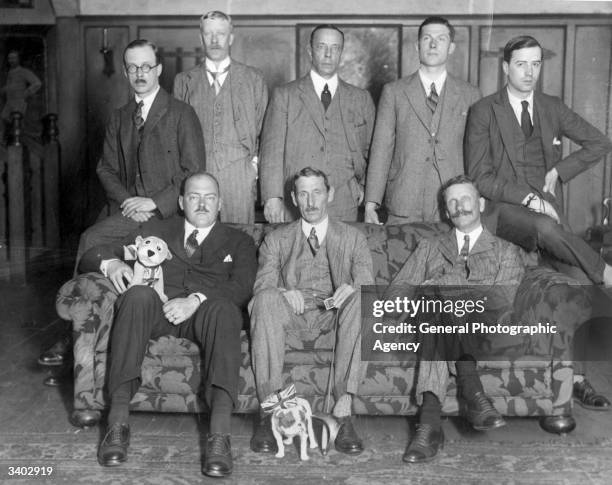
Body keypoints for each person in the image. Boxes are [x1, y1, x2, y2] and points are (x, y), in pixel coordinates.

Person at [465, 35, 612, 410]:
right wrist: (529, 197)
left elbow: (599, 143)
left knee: (578, 283)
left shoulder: (551, 107)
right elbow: (478, 175)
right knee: (548, 229)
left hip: (549, 221)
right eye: (520, 64)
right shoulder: (484, 110)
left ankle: (575, 379)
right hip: (506, 213)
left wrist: (560, 170)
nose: (529, 72)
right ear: (505, 68)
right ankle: (606, 272)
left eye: (535, 64)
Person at [39, 39, 205, 369]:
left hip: (166, 215)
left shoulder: (181, 114)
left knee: (91, 239)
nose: (140, 73)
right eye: (132, 68)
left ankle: (69, 329)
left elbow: (194, 172)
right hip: (128, 212)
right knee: (92, 239)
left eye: (146, 66)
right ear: (126, 73)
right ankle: (76, 328)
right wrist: (129, 200)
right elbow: (106, 167)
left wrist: (154, 202)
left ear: (159, 70)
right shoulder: (120, 116)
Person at [79, 172, 257, 478]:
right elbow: (94, 253)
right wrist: (114, 263)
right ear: (181, 202)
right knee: (136, 295)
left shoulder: (240, 241)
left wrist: (196, 300)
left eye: (209, 197)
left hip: (206, 313)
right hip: (158, 311)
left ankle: (219, 436)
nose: (202, 204)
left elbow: (242, 286)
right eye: (194, 196)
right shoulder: (156, 229)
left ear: (220, 204)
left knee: (226, 311)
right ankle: (117, 423)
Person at [388, 175, 524, 463]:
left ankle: (429, 423)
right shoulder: (429, 246)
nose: (459, 206)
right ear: (446, 211)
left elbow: (501, 302)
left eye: (465, 199)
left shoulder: (505, 251)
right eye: (452, 201)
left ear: (481, 204)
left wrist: (440, 285)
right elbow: (397, 291)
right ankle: (473, 391)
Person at [249, 166, 374, 455]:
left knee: (365, 297)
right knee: (266, 299)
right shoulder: (276, 239)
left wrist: (353, 288)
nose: (311, 201)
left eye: (317, 192)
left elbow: (366, 276)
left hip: (335, 312)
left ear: (329, 194)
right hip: (291, 310)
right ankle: (271, 414)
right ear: (294, 198)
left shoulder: (352, 237)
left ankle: (343, 412)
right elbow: (262, 284)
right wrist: (282, 291)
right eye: (303, 194)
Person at [364, 16, 481, 225]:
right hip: (403, 200)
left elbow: (477, 153)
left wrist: (478, 196)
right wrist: (371, 202)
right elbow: (381, 148)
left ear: (451, 47)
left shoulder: (470, 94)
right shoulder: (394, 92)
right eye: (427, 38)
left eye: (441, 39)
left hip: (453, 203)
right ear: (417, 46)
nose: (433, 44)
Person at [260, 24, 375, 223]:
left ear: (341, 53)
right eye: (322, 46)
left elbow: (371, 150)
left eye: (335, 48)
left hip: (344, 202)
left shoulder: (361, 98)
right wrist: (272, 197)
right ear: (310, 51)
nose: (328, 54)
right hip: (296, 202)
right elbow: (271, 152)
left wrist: (364, 186)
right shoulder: (285, 95)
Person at [174, 10, 268, 224]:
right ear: (201, 38)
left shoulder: (253, 78)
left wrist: (251, 169)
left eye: (221, 34)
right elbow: (176, 134)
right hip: (197, 175)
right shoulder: (184, 81)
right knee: (200, 240)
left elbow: (265, 129)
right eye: (209, 34)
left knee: (239, 238)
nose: (215, 40)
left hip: (239, 175)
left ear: (231, 37)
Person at [1, 49, 42, 141]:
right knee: (4, 119)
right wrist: (4, 90)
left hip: (19, 102)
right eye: (9, 58)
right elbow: (11, 86)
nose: (11, 60)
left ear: (18, 59)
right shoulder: (10, 72)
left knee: (18, 124)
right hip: (9, 102)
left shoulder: (24, 71)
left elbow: (37, 83)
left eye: (13, 58)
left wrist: (27, 92)